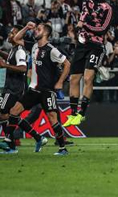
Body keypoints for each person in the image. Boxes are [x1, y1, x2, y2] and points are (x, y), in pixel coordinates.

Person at [3, 22, 70, 155]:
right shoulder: (33, 46)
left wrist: (60, 82)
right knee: (14, 111)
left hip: (47, 91)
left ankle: (63, 148)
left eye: (38, 29)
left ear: (45, 33)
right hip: (33, 90)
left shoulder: (51, 50)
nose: (35, 31)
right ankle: (7, 140)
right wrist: (27, 27)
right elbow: (16, 39)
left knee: (52, 118)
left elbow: (67, 64)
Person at [64, 0, 113, 128]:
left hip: (96, 45)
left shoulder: (108, 7)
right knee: (74, 79)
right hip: (82, 45)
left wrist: (83, 25)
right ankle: (73, 113)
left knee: (88, 77)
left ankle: (82, 113)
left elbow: (102, 29)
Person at [0, 25, 43, 152]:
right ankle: (37, 137)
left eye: (12, 33)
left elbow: (23, 68)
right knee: (11, 115)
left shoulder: (20, 50)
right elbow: (9, 57)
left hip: (14, 88)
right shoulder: (14, 49)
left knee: (3, 113)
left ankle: (9, 143)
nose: (9, 35)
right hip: (11, 87)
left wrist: (5, 65)